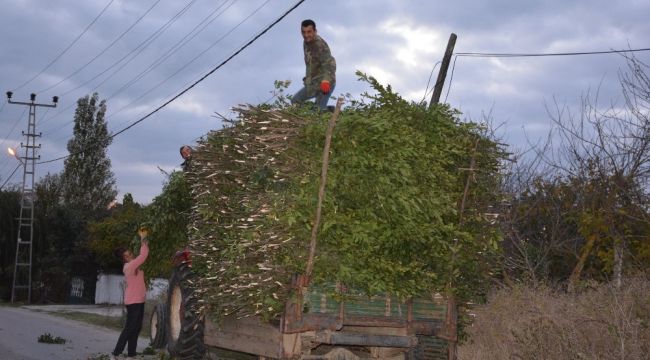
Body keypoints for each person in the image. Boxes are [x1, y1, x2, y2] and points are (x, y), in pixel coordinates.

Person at [110, 226, 150, 360]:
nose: (130, 256)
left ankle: (131, 354)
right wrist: (143, 237)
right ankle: (115, 354)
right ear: (124, 259)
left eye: (130, 253)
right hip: (133, 301)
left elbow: (142, 260)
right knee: (130, 328)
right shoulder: (129, 266)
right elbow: (143, 255)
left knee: (136, 328)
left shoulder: (135, 265)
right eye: (127, 256)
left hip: (139, 299)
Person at [291, 19, 337, 111]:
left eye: (309, 32)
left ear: (315, 31)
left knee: (317, 112)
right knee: (295, 101)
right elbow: (310, 64)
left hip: (326, 83)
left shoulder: (320, 45)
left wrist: (326, 80)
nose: (306, 35)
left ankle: (326, 111)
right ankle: (326, 110)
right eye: (303, 32)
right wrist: (308, 80)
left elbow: (330, 63)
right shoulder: (306, 43)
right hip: (314, 83)